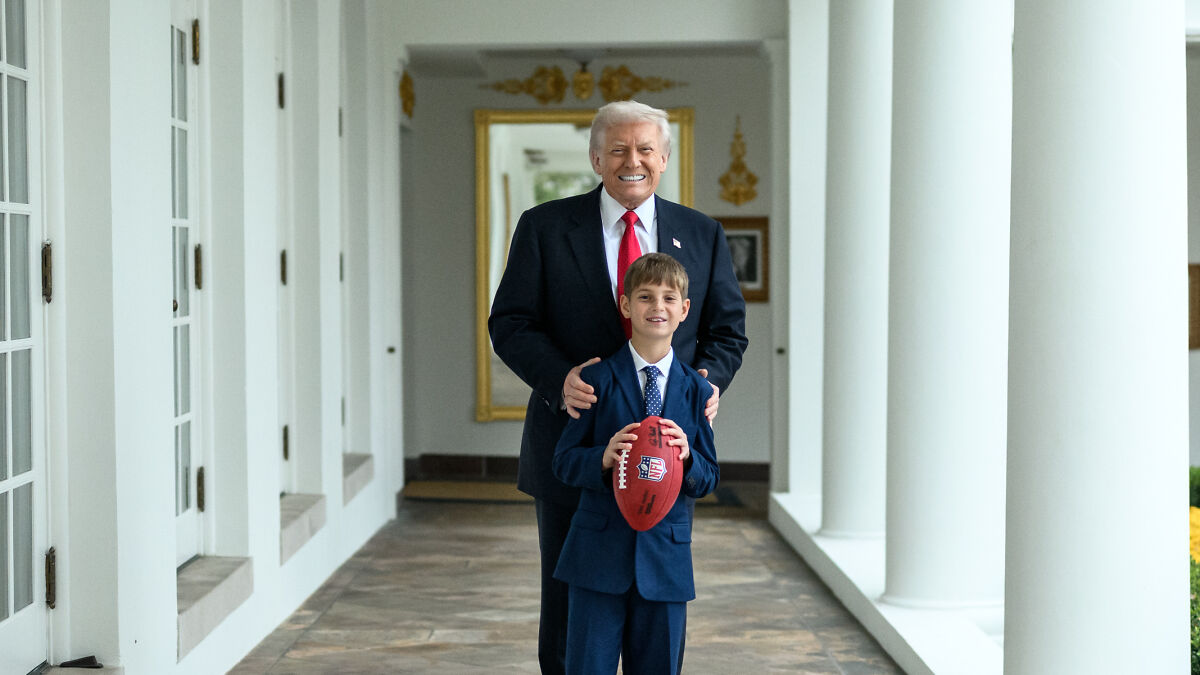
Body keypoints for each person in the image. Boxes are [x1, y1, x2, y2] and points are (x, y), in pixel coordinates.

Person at [488, 100, 747, 675]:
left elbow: (728, 331)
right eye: (620, 149)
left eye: (646, 149)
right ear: (596, 157)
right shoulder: (546, 227)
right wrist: (559, 380)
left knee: (656, 598)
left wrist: (706, 380)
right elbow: (509, 323)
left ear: (665, 157)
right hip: (571, 449)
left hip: (665, 455)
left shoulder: (701, 234)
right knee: (569, 614)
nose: (634, 160)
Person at [551, 253, 719, 674]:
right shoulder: (595, 381)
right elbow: (563, 462)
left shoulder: (697, 390)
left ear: (684, 310)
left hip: (666, 562)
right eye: (645, 297)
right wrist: (602, 458)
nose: (656, 307)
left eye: (668, 298)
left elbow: (709, 476)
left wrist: (688, 457)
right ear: (626, 306)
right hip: (597, 558)